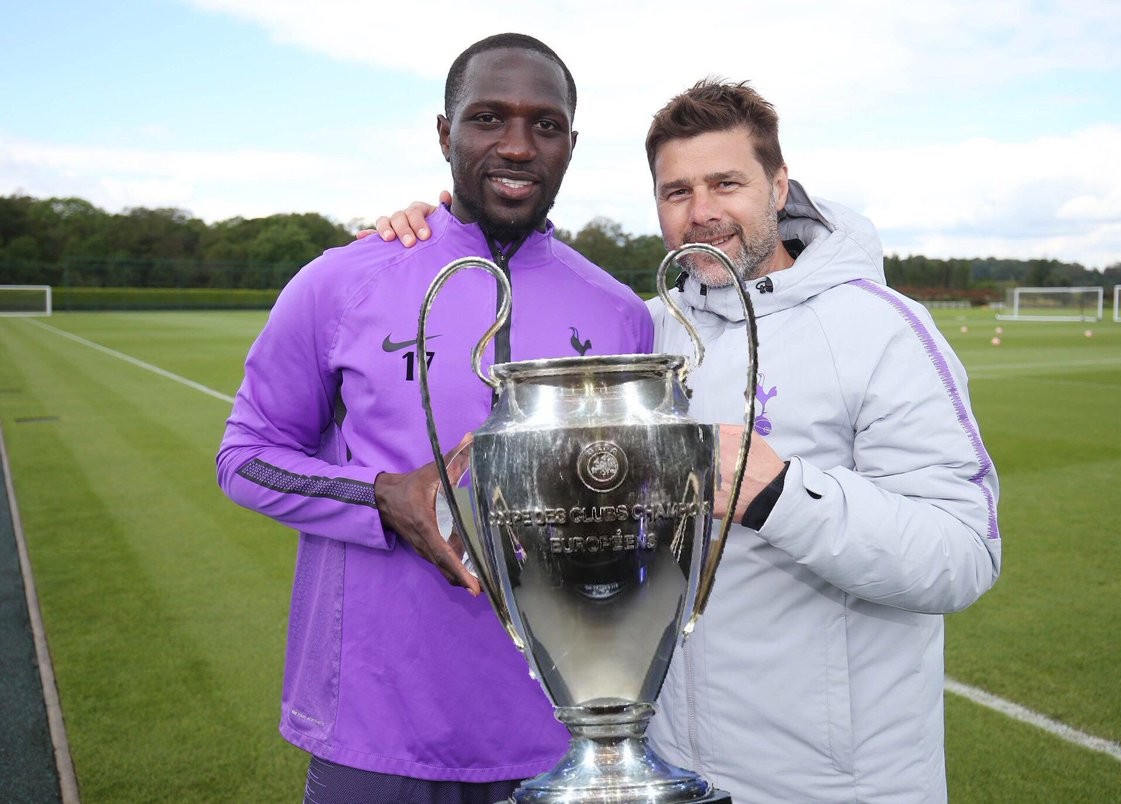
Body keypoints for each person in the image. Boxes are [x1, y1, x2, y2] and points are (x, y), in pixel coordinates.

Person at [371, 79, 1002, 803]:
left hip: (835, 784)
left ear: (778, 185)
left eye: (725, 183)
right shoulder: (644, 332)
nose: (701, 213)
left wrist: (782, 494)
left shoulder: (883, 331)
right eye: (675, 193)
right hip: (665, 773)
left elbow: (962, 555)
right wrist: (438, 231)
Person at [215, 33, 653, 804]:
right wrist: (379, 495)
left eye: (544, 125)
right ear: (444, 133)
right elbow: (245, 456)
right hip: (376, 729)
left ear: (571, 145)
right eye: (488, 118)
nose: (517, 146)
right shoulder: (341, 281)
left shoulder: (619, 314)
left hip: (562, 736)